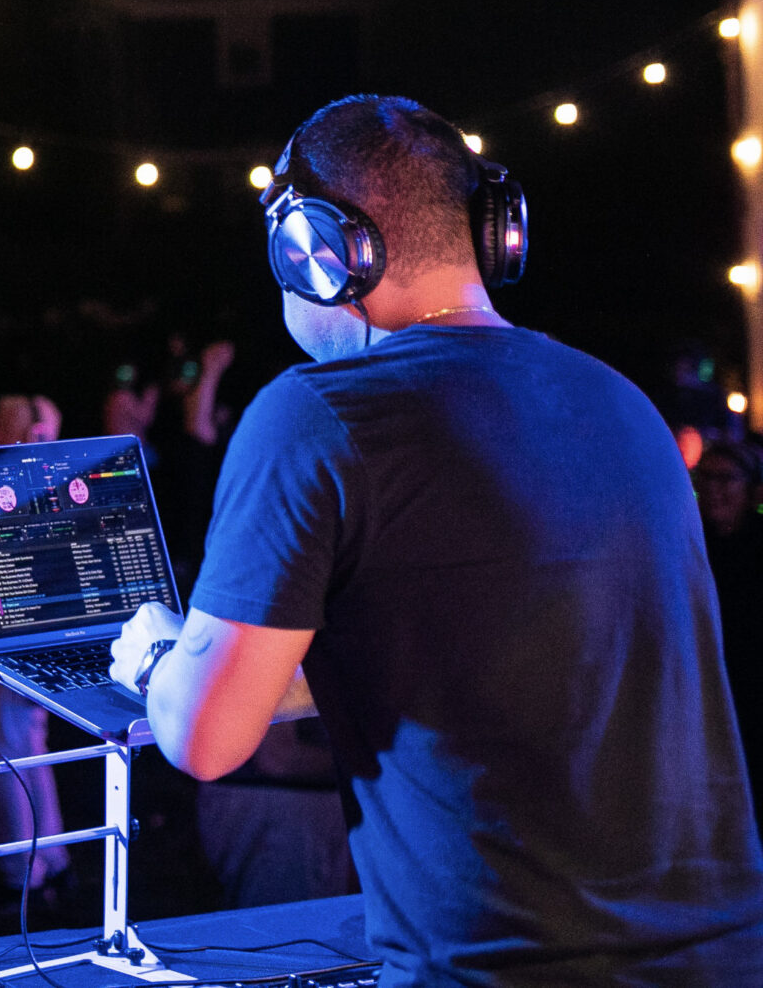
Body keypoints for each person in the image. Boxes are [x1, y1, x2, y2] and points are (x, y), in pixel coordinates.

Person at [110, 94, 763, 982]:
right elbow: (510, 650)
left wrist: (157, 657)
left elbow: (205, 740)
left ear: (320, 252)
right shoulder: (622, 403)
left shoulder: (316, 415)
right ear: (490, 235)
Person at [0, 393, 68, 899]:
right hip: (37, 631)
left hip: (23, 634)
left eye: (3, 428)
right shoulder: (47, 481)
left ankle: (24, 873)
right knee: (28, 741)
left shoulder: (23, 487)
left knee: (5, 747)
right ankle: (51, 858)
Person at [696, 435, 763, 827]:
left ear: (752, 489)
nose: (712, 490)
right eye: (705, 478)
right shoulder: (691, 544)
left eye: (725, 479)